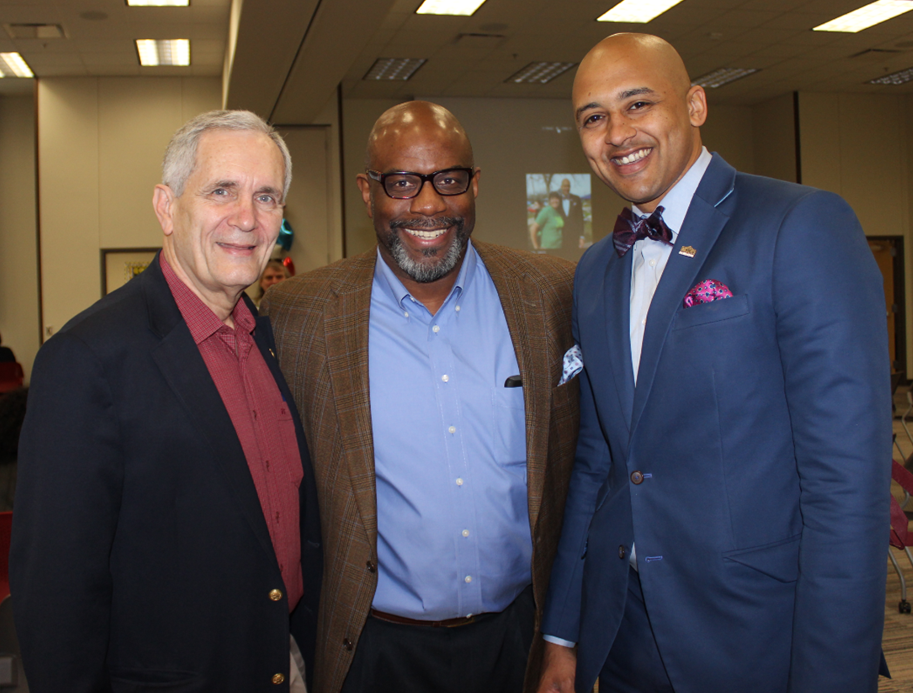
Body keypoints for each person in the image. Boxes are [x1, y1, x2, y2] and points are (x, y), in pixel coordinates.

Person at [537, 33, 891, 693]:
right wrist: (563, 633)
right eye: (593, 117)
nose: (617, 133)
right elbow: (597, 463)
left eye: (637, 103)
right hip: (622, 635)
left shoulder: (798, 225)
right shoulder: (593, 270)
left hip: (758, 634)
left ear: (695, 105)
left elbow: (845, 484)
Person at [262, 101, 579, 693]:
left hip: (520, 640)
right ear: (368, 192)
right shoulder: (298, 316)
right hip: (374, 651)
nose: (429, 204)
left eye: (448, 180)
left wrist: (566, 636)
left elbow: (583, 471)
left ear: (474, 185)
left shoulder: (551, 296)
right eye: (403, 183)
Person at [10, 110, 322, 692]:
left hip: (284, 661)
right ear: (166, 207)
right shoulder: (87, 358)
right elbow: (56, 593)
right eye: (221, 190)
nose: (247, 219)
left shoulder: (264, 338)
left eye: (266, 197)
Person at [556, 179, 584, 243]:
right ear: (561, 187)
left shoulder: (576, 199)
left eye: (568, 186)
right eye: (565, 186)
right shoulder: (557, 200)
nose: (567, 188)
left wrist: (581, 236)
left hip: (574, 235)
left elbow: (580, 218)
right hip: (561, 236)